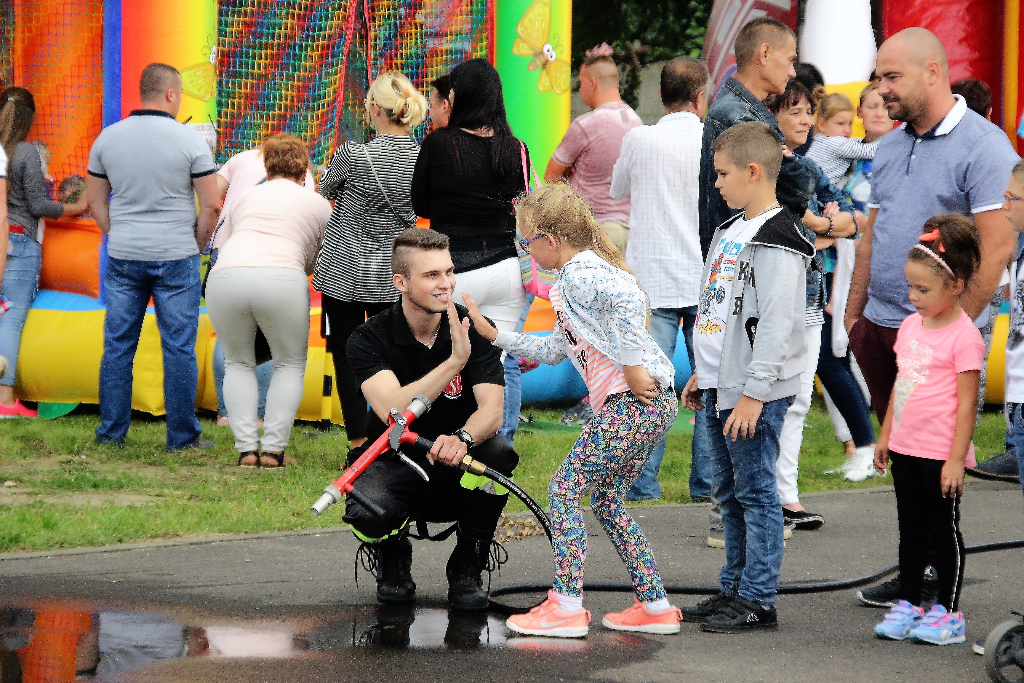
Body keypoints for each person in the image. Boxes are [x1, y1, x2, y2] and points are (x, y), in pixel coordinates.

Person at [845, 28, 1019, 607]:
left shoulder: (985, 147)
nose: (880, 89)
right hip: (883, 329)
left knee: (936, 471)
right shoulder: (891, 146)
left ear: (933, 73)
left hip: (938, 342)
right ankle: (912, 571)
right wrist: (854, 318)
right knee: (902, 457)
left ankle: (938, 586)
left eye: (891, 77)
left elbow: (997, 248)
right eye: (878, 76)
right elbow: (871, 239)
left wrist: (955, 330)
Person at [466, 184, 680, 638]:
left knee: (564, 489)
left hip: (632, 401)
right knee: (606, 500)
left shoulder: (580, 274)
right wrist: (494, 335)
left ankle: (565, 605)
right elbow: (552, 351)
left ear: (553, 239)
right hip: (649, 404)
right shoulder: (572, 282)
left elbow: (629, 298)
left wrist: (632, 365)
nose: (526, 251)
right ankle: (654, 604)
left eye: (528, 242)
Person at [680, 123, 814, 632]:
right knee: (727, 492)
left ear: (753, 172)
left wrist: (756, 394)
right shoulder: (729, 231)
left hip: (752, 393)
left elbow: (779, 325)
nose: (716, 184)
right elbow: (717, 313)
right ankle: (732, 588)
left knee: (756, 493)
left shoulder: (779, 239)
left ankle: (759, 598)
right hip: (721, 386)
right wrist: (702, 374)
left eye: (722, 174)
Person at [342, 228, 518, 612]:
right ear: (401, 282)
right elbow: (392, 411)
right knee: (367, 511)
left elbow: (492, 410)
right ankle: (393, 557)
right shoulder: (368, 337)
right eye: (432, 275)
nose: (446, 284)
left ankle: (468, 565)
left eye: (449, 272)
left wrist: (464, 438)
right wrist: (454, 361)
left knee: (501, 454)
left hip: (455, 463)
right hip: (396, 461)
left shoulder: (473, 325)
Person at [86, 63, 221, 450]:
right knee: (178, 347)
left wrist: (117, 233)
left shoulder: (107, 139)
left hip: (125, 254)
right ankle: (182, 438)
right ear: (170, 94)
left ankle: (111, 434)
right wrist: (196, 245)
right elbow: (211, 206)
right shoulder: (189, 141)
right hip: (176, 254)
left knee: (117, 345)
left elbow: (94, 200)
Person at [871, 215, 984, 646]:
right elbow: (903, 382)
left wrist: (956, 458)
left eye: (924, 289)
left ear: (955, 286)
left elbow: (969, 403)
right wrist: (886, 435)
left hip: (941, 453)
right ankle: (909, 601)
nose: (913, 297)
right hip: (905, 446)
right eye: (911, 287)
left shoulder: (965, 338)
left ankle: (948, 613)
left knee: (942, 531)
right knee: (910, 527)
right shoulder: (910, 326)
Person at [411, 58, 529, 450]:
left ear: (460, 96)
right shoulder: (515, 148)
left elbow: (420, 203)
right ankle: (500, 445)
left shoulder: (440, 143)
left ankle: (452, 441)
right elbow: (523, 204)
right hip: (506, 268)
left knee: (450, 360)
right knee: (504, 361)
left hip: (455, 271)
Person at [608, 56, 711, 503]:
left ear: (661, 95)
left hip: (652, 280)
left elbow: (617, 189)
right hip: (706, 278)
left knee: (648, 389)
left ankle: (642, 483)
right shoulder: (714, 140)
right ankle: (706, 484)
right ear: (702, 96)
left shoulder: (640, 139)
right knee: (709, 383)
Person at [316, 72, 427, 451]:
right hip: (391, 274)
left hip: (342, 270)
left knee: (345, 355)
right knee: (392, 357)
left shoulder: (353, 154)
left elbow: (325, 188)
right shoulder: (421, 158)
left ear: (376, 109)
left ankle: (356, 441)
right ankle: (384, 436)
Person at [205, 134, 331, 467]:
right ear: (304, 171)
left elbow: (227, 240)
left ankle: (246, 449)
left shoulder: (246, 196)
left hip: (227, 276)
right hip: (280, 278)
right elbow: (315, 261)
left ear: (267, 166)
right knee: (289, 364)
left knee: (238, 363)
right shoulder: (317, 203)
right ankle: (274, 450)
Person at [767, 79, 859, 531]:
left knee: (801, 400)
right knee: (771, 399)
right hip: (773, 302)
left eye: (808, 111)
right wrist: (824, 226)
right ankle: (763, 499)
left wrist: (822, 225)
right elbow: (792, 226)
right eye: (795, 110)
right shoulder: (766, 167)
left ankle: (787, 497)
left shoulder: (808, 166)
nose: (804, 119)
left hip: (810, 297)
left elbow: (850, 220)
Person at [0, 87, 88, 418]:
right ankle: (6, 400)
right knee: (10, 319)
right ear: (31, 119)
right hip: (18, 242)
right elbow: (38, 205)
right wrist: (76, 206)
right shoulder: (25, 153)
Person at [698, 16, 815, 259]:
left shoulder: (737, 110)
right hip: (754, 266)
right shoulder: (741, 116)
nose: (793, 72)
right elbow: (800, 187)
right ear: (764, 54)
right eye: (790, 60)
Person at [546, 46, 642, 255]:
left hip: (597, 228)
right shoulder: (637, 123)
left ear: (592, 83)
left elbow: (551, 176)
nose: (579, 90)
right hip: (633, 229)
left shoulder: (586, 125)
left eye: (581, 82)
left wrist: (573, 173)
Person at [805, 92, 881, 187]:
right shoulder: (835, 143)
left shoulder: (821, 140)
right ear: (822, 124)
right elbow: (869, 151)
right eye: (840, 124)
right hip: (817, 196)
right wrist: (893, 141)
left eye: (850, 124)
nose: (847, 130)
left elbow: (855, 143)